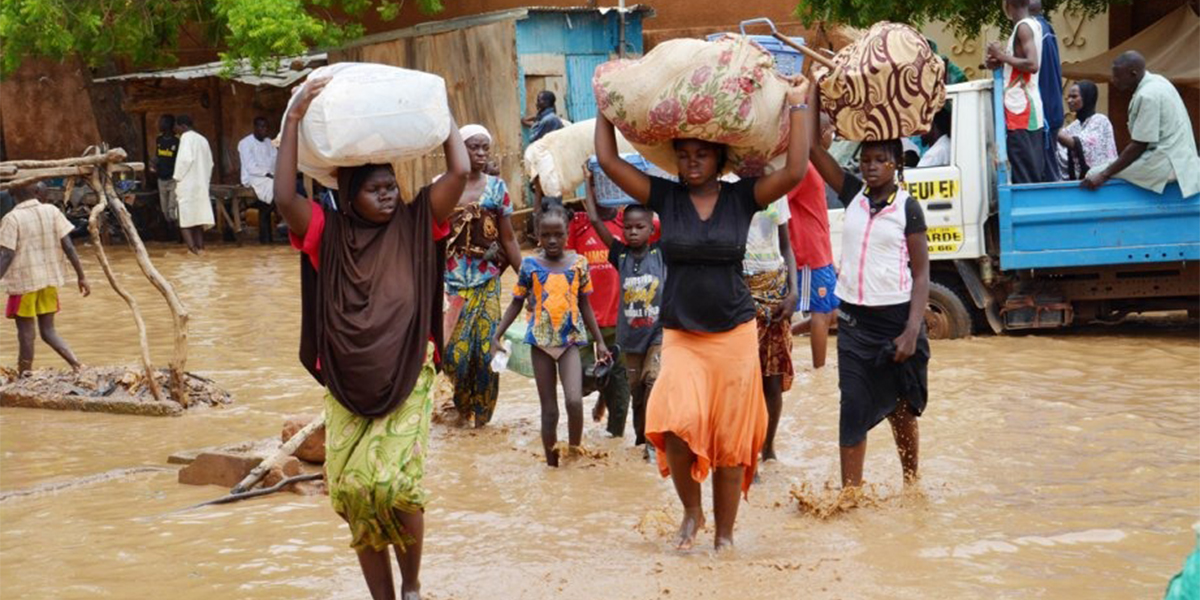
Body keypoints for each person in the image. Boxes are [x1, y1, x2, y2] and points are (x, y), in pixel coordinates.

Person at [594, 74, 812, 550]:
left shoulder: (742, 197)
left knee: (732, 442)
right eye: (685, 155)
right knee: (673, 422)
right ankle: (692, 515)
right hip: (682, 335)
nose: (692, 163)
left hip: (734, 334)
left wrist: (798, 106)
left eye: (702, 154)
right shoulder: (665, 198)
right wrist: (606, 106)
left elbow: (795, 172)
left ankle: (726, 537)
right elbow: (608, 161)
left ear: (720, 158)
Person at [274, 77, 470, 600]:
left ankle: (411, 586)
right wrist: (293, 120)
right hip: (347, 380)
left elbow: (460, 171)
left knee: (396, 486)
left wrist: (441, 110)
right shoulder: (326, 232)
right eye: (374, 188)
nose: (387, 194)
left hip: (408, 371)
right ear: (348, 194)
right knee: (352, 491)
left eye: (391, 185)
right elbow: (283, 197)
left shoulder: (417, 220)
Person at [804, 92, 931, 491]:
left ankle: (911, 484)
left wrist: (912, 331)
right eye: (866, 158)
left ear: (896, 165)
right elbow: (811, 148)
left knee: (901, 409)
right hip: (856, 324)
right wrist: (813, 92)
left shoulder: (908, 208)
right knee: (852, 407)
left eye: (880, 160)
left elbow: (923, 273)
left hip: (896, 322)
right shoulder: (852, 194)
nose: (871, 166)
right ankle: (850, 495)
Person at [493, 204, 611, 467]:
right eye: (546, 235)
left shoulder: (578, 263)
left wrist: (600, 342)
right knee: (549, 411)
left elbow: (585, 305)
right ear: (537, 236)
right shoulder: (530, 266)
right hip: (540, 344)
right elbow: (515, 302)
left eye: (558, 234)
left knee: (573, 401)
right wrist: (496, 335)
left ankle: (573, 454)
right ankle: (552, 464)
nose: (553, 240)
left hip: (569, 343)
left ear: (567, 233)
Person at [442, 124, 522, 428]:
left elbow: (510, 239)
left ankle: (482, 423)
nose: (479, 153)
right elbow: (430, 240)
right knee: (455, 357)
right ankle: (462, 407)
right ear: (459, 150)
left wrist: (528, 279)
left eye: (484, 148)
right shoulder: (443, 186)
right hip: (451, 287)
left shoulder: (496, 189)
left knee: (488, 354)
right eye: (472, 147)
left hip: (487, 283)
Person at [580, 173, 665, 461]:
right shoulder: (621, 256)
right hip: (630, 341)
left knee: (654, 382)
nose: (631, 232)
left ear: (651, 228)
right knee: (637, 396)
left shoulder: (661, 253)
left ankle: (654, 443)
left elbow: (673, 221)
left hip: (657, 336)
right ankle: (642, 439)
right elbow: (593, 219)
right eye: (627, 227)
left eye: (639, 227)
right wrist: (589, 184)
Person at [0, 182, 91, 375]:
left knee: (26, 333)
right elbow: (68, 246)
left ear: (11, 194)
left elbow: (7, 255)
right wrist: (81, 276)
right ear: (35, 192)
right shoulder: (52, 211)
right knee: (48, 331)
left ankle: (24, 375)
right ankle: (77, 364)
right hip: (49, 281)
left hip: (24, 283)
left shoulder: (12, 218)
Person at [1082, 51, 1200, 198]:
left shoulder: (1148, 95)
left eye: (1117, 76)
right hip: (1182, 161)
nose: (1113, 80)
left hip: (1165, 164)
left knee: (1094, 173)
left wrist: (1104, 175)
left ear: (1133, 74)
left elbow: (1139, 145)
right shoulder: (1159, 81)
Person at [571, 172, 631, 438]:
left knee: (622, 398)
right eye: (595, 185)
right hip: (584, 323)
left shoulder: (629, 223)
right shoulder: (577, 225)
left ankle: (614, 437)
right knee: (584, 379)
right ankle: (601, 390)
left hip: (620, 322)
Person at [741, 191, 798, 463]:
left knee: (773, 379)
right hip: (741, 290)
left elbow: (786, 246)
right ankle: (747, 453)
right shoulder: (728, 186)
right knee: (744, 381)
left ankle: (768, 448)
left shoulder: (777, 191)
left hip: (777, 290)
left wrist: (794, 292)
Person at [789, 113, 841, 369]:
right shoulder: (805, 168)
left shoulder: (815, 166)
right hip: (809, 253)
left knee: (832, 313)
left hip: (822, 252)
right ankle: (819, 369)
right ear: (821, 134)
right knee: (821, 313)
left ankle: (788, 336)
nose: (834, 135)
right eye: (831, 130)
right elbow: (780, 201)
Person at [986, 0, 1046, 184]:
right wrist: (1001, 61)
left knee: (1025, 175)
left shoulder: (1023, 28)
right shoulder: (1033, 24)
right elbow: (1021, 65)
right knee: (1030, 171)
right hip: (1025, 111)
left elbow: (1032, 64)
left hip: (1022, 112)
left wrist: (1001, 55)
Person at [1030, 0, 1065, 181]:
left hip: (1044, 116)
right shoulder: (1044, 29)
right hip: (1049, 112)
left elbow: (1035, 69)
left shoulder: (1035, 31)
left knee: (1047, 175)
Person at [1056, 81, 1118, 180]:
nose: (1069, 100)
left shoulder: (1100, 121)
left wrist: (1053, 130)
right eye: (1068, 97)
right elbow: (1060, 145)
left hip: (1101, 182)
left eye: (1074, 96)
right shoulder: (1075, 125)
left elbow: (1079, 143)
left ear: (1087, 98)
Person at [172, 115, 215, 254]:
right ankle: (201, 249)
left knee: (185, 221)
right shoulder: (203, 140)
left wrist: (176, 178)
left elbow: (184, 160)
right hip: (201, 185)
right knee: (198, 220)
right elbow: (210, 163)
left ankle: (192, 250)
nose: (175, 130)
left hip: (187, 185)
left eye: (177, 127)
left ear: (182, 126)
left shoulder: (186, 138)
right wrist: (205, 181)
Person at [238, 116, 279, 244]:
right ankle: (278, 215)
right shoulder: (245, 143)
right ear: (255, 127)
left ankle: (266, 239)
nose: (264, 129)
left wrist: (273, 173)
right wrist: (267, 173)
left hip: (269, 176)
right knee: (274, 187)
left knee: (280, 185)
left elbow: (275, 160)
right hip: (252, 177)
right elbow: (250, 166)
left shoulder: (269, 143)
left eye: (266, 127)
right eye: (261, 126)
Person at [151, 115, 180, 232]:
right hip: (161, 178)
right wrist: (154, 164)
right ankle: (172, 232)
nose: (159, 125)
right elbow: (158, 156)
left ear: (168, 124)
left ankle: (179, 234)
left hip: (173, 178)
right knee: (164, 210)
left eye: (161, 123)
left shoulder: (177, 141)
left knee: (172, 208)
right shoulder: (159, 139)